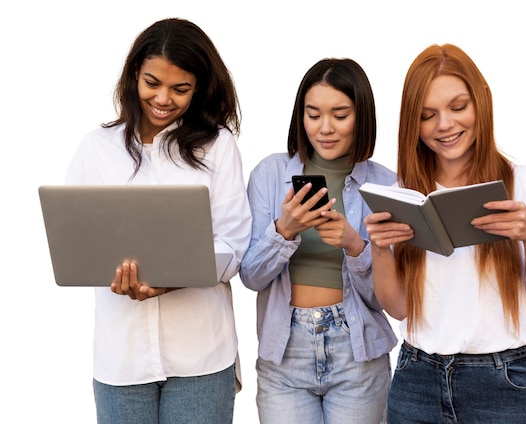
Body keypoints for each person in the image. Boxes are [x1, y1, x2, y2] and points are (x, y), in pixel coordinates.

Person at [363, 43, 526, 424]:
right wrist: (380, 249)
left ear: (481, 102)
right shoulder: (406, 192)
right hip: (415, 379)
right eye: (427, 115)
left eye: (458, 107)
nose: (445, 125)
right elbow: (399, 308)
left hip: (504, 384)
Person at [65, 18, 251, 424]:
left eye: (180, 89)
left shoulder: (217, 147)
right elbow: (74, 238)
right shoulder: (96, 149)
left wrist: (175, 275)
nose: (164, 98)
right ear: (134, 75)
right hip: (122, 358)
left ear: (199, 87)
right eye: (153, 83)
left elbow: (235, 244)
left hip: (201, 356)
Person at [239, 58, 397, 424]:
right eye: (313, 115)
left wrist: (356, 246)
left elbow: (385, 298)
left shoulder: (387, 186)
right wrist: (285, 230)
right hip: (284, 353)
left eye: (340, 115)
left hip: (357, 354)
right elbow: (250, 276)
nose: (325, 128)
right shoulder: (270, 173)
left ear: (363, 117)